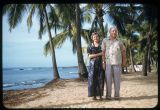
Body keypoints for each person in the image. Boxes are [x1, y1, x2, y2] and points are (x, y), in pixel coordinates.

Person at [101, 26, 126, 100]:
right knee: (108, 80)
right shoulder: (105, 40)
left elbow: (123, 51)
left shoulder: (120, 41)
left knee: (117, 80)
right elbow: (103, 52)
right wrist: (103, 62)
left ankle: (117, 95)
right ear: (110, 32)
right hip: (108, 63)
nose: (114, 32)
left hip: (117, 63)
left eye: (115, 31)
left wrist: (124, 60)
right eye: (113, 31)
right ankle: (108, 96)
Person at [87, 32, 105, 100]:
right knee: (92, 80)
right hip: (92, 65)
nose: (95, 38)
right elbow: (89, 56)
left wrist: (103, 63)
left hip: (100, 64)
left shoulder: (101, 46)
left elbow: (103, 55)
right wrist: (99, 54)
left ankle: (100, 96)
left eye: (97, 37)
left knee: (100, 79)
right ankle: (94, 96)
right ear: (92, 38)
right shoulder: (89, 46)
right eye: (94, 37)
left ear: (99, 37)